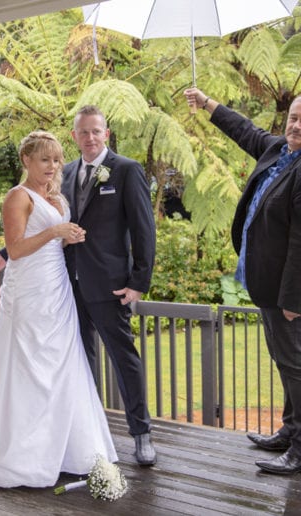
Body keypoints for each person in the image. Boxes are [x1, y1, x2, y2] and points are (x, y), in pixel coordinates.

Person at [0, 105, 157, 466]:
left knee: (124, 358)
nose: (90, 138)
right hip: (64, 287)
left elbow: (144, 229)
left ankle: (142, 434)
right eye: (83, 132)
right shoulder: (65, 173)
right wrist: (3, 253)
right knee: (77, 362)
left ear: (106, 134)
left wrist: (139, 281)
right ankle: (84, 435)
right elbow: (46, 225)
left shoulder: (126, 170)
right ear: (74, 136)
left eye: (96, 131)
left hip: (109, 286)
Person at [0, 131, 117, 488]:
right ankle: (22, 455)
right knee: (29, 363)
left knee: (62, 361)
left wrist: (68, 235)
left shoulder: (56, 196)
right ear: (27, 161)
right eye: (44, 159)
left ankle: (65, 451)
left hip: (57, 286)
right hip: (28, 289)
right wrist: (54, 232)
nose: (52, 166)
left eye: (57, 159)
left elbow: (53, 239)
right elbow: (15, 249)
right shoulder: (18, 197)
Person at [184, 87, 301, 475]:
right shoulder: (279, 151)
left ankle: (300, 447)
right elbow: (244, 130)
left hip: (288, 291)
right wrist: (206, 104)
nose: (297, 125)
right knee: (287, 363)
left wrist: (293, 298)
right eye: (294, 117)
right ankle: (289, 430)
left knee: (295, 364)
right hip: (266, 282)